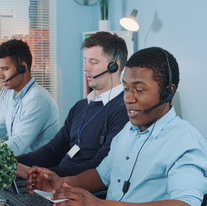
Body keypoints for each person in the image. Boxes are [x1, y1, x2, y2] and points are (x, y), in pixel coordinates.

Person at [26, 47, 207, 206]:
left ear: (168, 91)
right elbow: (102, 175)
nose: (128, 99)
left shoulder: (184, 140)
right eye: (125, 89)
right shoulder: (128, 131)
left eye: (139, 90)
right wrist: (61, 184)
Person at [16, 32, 129, 177]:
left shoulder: (124, 110)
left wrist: (41, 175)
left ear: (114, 66)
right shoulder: (80, 106)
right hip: (58, 183)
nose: (85, 68)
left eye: (93, 62)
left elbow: (99, 166)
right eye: (85, 61)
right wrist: (11, 163)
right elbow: (53, 150)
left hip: (84, 190)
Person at [0, 39, 60, 155]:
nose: (0, 75)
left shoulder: (37, 99)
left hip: (37, 168)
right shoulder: (11, 94)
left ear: (22, 68)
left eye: (5, 69)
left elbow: (17, 145)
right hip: (21, 164)